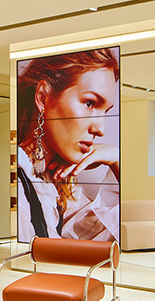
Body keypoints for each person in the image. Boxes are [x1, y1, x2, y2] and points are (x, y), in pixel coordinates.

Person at [17, 47, 120, 243]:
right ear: (43, 97)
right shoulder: (19, 183)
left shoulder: (55, 184)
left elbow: (90, 235)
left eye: (105, 111)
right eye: (90, 103)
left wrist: (117, 159)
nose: (100, 129)